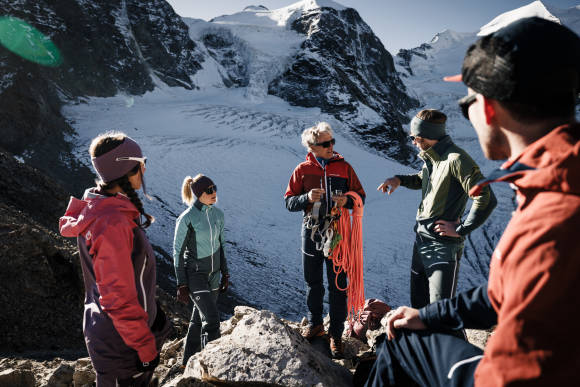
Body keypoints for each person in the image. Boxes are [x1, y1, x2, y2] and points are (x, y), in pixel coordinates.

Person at [365, 17, 580, 386]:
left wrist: (460, 228)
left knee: (399, 343)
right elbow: (507, 294)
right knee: (418, 320)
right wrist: (428, 317)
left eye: (469, 102)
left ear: (490, 107)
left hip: (507, 377)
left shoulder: (557, 207)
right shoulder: (555, 177)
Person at [59, 132, 171, 387]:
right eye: (141, 162)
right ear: (126, 169)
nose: (144, 168)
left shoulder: (101, 210)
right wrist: (145, 347)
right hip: (123, 344)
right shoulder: (112, 223)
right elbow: (117, 297)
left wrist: (155, 317)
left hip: (116, 334)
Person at [378, 109, 496, 309]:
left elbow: (487, 197)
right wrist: (398, 179)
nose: (413, 142)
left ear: (428, 136)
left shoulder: (456, 159)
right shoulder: (433, 158)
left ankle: (454, 341)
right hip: (421, 241)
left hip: (443, 247)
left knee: (440, 311)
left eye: (415, 138)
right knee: (419, 308)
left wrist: (460, 229)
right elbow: (422, 179)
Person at [285, 122, 366, 358]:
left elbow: (360, 195)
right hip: (311, 231)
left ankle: (336, 335)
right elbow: (289, 202)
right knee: (313, 282)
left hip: (338, 233)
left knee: (338, 285)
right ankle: (316, 324)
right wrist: (306, 198)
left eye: (332, 142)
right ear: (312, 147)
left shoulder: (344, 167)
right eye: (325, 143)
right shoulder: (301, 170)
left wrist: (347, 201)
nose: (331, 146)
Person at [173, 174, 229, 366]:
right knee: (212, 319)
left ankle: (186, 362)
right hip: (195, 274)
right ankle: (212, 367)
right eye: (209, 190)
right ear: (198, 195)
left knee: (198, 319)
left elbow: (221, 246)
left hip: (214, 274)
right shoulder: (187, 218)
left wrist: (225, 272)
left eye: (215, 188)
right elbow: (177, 252)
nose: (214, 193)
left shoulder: (218, 215)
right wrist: (181, 283)